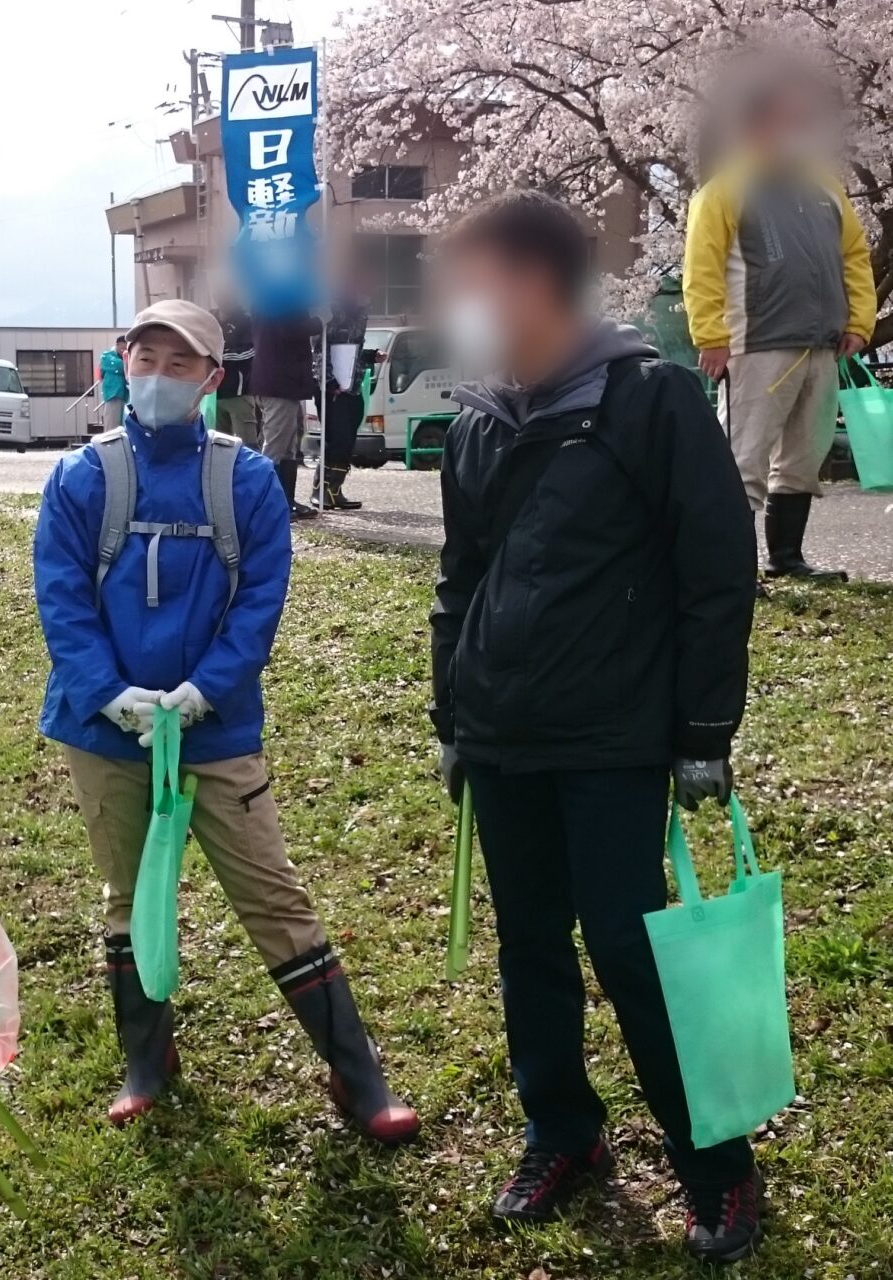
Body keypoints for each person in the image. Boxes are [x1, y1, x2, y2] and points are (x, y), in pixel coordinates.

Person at [430, 191, 761, 1263]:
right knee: (530, 944)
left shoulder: (649, 398)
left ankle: (717, 1163)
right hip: (503, 734)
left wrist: (703, 728)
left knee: (630, 947)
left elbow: (717, 567)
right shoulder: (479, 420)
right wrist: (451, 713)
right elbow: (460, 580)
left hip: (612, 736)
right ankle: (562, 1130)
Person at [33, 299, 419, 1145]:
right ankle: (146, 1060)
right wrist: (109, 694)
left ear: (212, 378)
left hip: (214, 728)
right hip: (104, 729)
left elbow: (258, 605)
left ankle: (357, 1074)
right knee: (129, 893)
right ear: (122, 361)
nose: (159, 378)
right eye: (146, 359)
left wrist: (204, 691)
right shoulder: (80, 477)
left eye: (180, 365)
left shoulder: (243, 479)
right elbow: (61, 602)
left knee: (270, 893)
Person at [682, 67, 875, 581]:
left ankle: (786, 559)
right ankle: (730, 569)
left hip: (823, 344)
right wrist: (711, 336)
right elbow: (701, 268)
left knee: (804, 459)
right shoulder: (724, 190)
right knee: (742, 460)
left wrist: (860, 320)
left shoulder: (827, 188)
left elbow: (854, 256)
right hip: (755, 342)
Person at [249, 310, 322, 519]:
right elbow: (289, 331)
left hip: (279, 382)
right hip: (280, 383)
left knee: (287, 447)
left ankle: (285, 501)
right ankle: (266, 504)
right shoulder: (280, 302)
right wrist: (318, 321)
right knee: (275, 446)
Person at [320, 284, 371, 511]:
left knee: (347, 440)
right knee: (337, 440)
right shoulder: (330, 312)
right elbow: (320, 349)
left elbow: (353, 350)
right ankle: (322, 490)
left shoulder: (360, 314)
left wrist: (370, 356)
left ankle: (335, 490)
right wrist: (329, 381)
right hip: (333, 388)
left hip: (353, 385)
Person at [215, 302, 259, 445]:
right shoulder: (210, 318)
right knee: (218, 446)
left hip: (239, 393)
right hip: (213, 394)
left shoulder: (246, 321)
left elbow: (251, 351)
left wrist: (220, 355)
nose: (220, 297)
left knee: (247, 445)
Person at [99, 334, 129, 428]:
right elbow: (120, 366)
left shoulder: (123, 357)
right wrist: (127, 362)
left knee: (125, 424)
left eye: (126, 348)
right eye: (122, 348)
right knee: (112, 424)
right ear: (117, 344)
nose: (124, 351)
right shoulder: (107, 356)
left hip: (125, 394)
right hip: (113, 394)